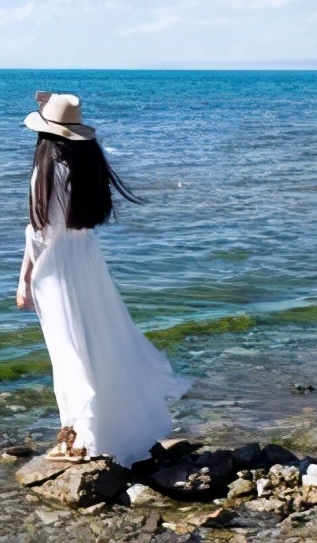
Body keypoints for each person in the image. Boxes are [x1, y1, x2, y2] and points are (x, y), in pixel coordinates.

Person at [15, 92, 192, 466]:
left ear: (45, 135)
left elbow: (39, 233)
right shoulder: (88, 167)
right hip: (88, 259)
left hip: (57, 266)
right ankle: (110, 431)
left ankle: (82, 436)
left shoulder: (47, 171)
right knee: (101, 342)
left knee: (70, 351)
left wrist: (24, 278)